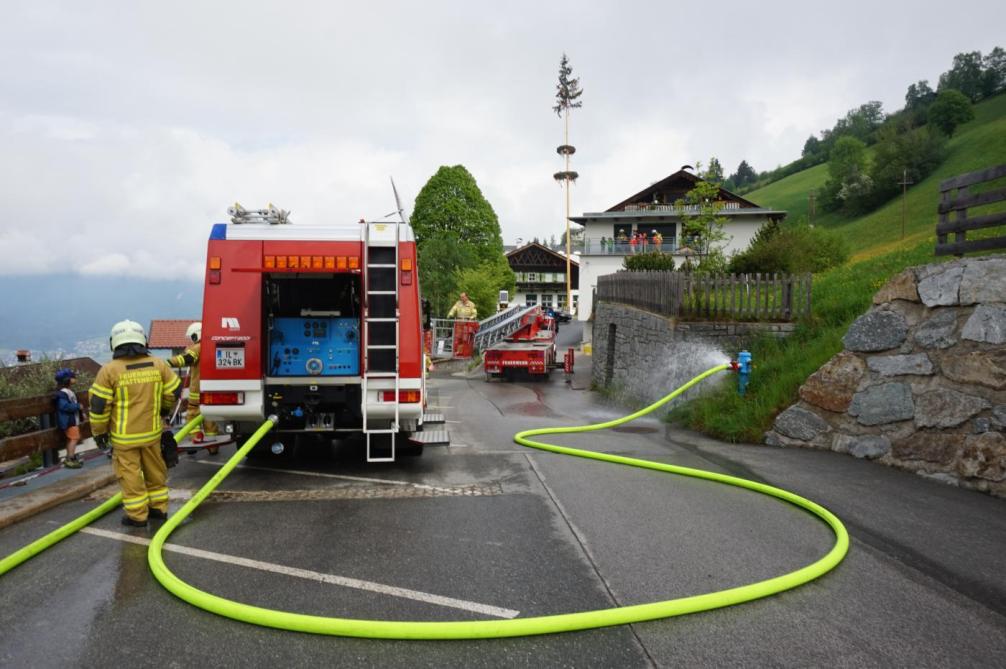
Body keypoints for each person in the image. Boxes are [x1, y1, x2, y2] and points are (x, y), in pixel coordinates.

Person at [89, 320, 181, 527]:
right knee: (156, 472)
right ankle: (159, 509)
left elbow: (99, 407)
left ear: (115, 342)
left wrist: (99, 433)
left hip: (125, 438)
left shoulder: (109, 371)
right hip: (152, 434)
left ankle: (137, 515)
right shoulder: (158, 364)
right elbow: (174, 390)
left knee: (130, 475)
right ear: (143, 340)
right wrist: (163, 410)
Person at [167, 322, 218, 444]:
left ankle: (196, 435)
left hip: (197, 391)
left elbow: (186, 359)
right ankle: (212, 442)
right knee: (209, 415)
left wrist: (167, 363)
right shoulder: (212, 346)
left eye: (192, 336)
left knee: (192, 414)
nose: (191, 339)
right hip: (211, 388)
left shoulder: (197, 347)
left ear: (197, 335)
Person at [53, 368, 83, 468]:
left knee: (71, 439)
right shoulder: (63, 393)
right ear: (67, 380)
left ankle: (70, 456)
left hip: (72, 420)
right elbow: (64, 406)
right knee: (74, 438)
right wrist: (78, 406)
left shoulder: (67, 392)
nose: (74, 378)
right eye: (72, 377)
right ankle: (70, 458)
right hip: (69, 421)